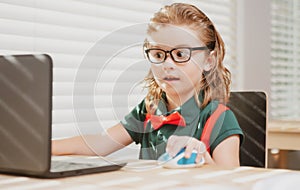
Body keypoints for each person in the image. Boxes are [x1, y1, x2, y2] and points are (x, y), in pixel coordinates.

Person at [52, 3, 244, 167]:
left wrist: (204, 159)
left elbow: (232, 182)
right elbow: (99, 143)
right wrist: (42, 147)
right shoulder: (149, 109)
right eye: (159, 54)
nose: (167, 64)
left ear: (209, 61)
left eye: (180, 55)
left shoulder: (220, 118)